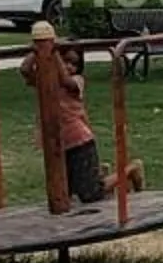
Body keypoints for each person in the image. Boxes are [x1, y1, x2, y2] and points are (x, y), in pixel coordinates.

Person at [23, 21, 142, 211]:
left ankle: (130, 170)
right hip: (57, 142)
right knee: (65, 193)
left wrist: (54, 53)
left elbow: (65, 79)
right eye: (66, 61)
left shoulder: (77, 81)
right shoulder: (45, 81)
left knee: (90, 194)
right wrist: (38, 50)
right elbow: (24, 71)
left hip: (79, 141)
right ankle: (100, 172)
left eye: (74, 63)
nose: (70, 66)